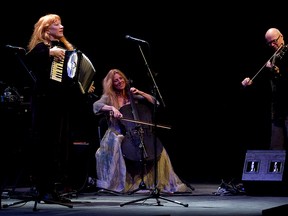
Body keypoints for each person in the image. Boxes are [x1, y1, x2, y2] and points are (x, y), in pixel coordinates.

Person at [24, 14, 95, 201]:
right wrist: (49, 53)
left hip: (59, 105)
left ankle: (53, 188)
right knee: (45, 145)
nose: (61, 26)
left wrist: (84, 86)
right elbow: (30, 58)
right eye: (57, 24)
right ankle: (43, 188)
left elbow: (68, 79)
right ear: (47, 29)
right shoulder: (41, 48)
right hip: (44, 104)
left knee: (57, 147)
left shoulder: (62, 49)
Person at [92, 68, 193, 194]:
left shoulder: (132, 95)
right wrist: (112, 108)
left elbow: (155, 102)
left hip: (135, 133)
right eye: (115, 81)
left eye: (121, 79)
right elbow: (96, 106)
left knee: (156, 149)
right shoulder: (108, 97)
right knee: (118, 141)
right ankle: (122, 182)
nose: (119, 82)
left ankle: (156, 182)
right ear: (111, 84)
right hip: (117, 133)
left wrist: (140, 92)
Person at [241, 27, 288, 150]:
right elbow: (266, 85)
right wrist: (250, 83)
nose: (272, 45)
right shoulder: (272, 58)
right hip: (277, 111)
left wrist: (275, 70)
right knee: (275, 149)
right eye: (269, 43)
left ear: (281, 36)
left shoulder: (286, 55)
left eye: (274, 41)